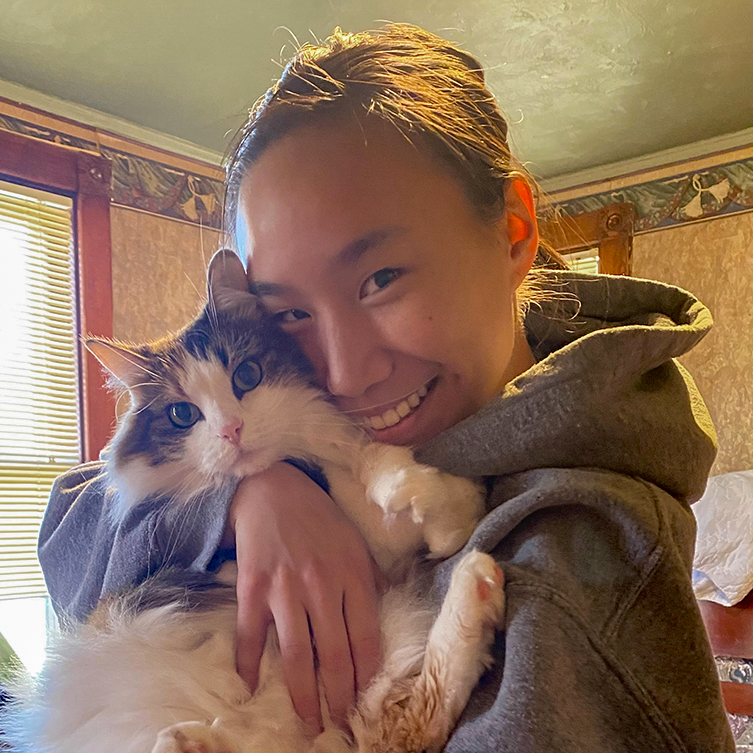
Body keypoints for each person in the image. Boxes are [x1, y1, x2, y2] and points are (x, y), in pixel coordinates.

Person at [40, 23, 733, 752]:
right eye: (290, 313)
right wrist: (245, 496)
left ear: (515, 231)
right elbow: (69, 522)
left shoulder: (573, 575)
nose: (343, 372)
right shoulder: (312, 430)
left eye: (380, 278)